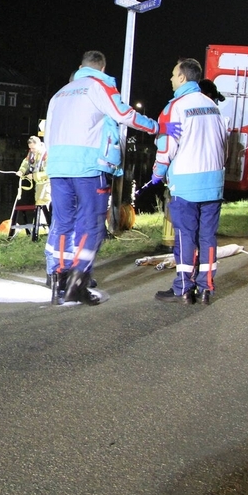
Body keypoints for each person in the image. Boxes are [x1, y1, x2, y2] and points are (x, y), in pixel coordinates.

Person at [44, 50, 180, 305]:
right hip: (87, 168)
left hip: (58, 168)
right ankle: (78, 283)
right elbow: (124, 115)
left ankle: (58, 282)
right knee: (92, 225)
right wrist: (158, 127)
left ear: (81, 66)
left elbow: (49, 133)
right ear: (101, 69)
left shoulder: (60, 94)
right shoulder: (98, 87)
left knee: (62, 224)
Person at [152, 58, 228, 305]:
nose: (171, 79)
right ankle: (207, 288)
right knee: (208, 237)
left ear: (183, 77)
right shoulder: (213, 106)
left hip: (185, 181)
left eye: (174, 75)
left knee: (186, 235)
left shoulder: (174, 107)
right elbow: (223, 143)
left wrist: (158, 172)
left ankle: (183, 288)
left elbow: (166, 144)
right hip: (213, 181)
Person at [17, 135, 50, 219]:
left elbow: (49, 172)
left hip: (48, 183)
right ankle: (39, 224)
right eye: (30, 148)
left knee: (44, 203)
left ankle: (45, 224)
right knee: (38, 203)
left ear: (39, 145)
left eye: (33, 148)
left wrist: (34, 176)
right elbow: (26, 162)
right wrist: (21, 171)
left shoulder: (46, 155)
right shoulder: (31, 153)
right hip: (38, 184)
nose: (31, 150)